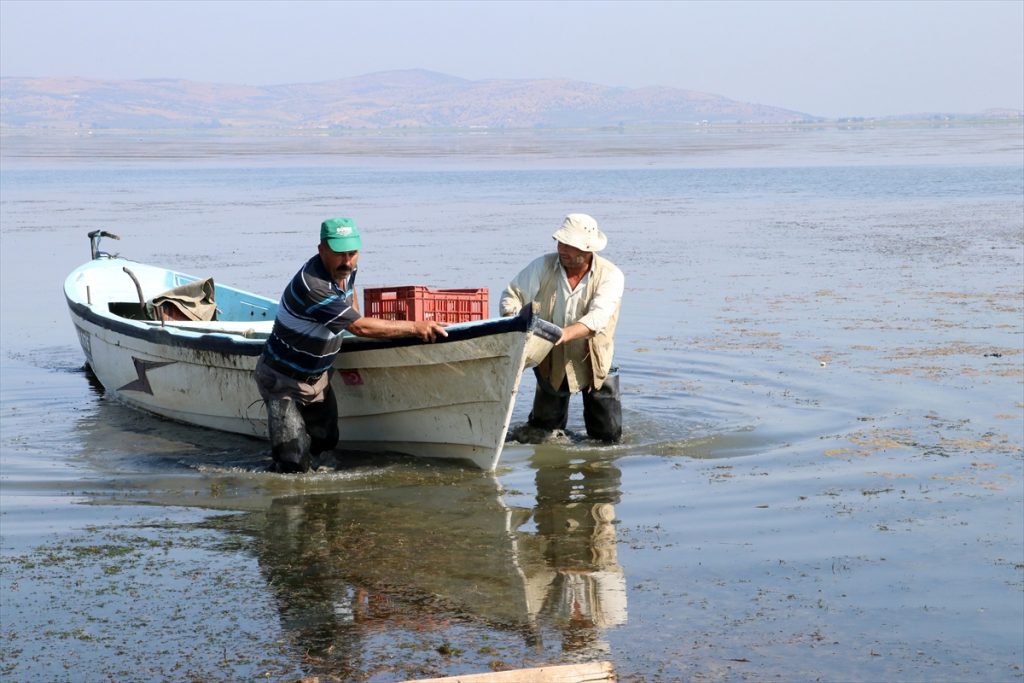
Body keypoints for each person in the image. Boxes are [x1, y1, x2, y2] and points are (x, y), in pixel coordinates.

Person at [255, 217, 447, 473]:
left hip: (317, 378)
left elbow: (349, 295)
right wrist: (416, 327)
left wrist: (351, 311)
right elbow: (359, 327)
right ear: (321, 249)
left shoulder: (346, 270)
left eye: (352, 253)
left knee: (326, 443)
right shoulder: (313, 286)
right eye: (339, 254)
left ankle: (321, 509)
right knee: (292, 464)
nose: (347, 261)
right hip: (283, 379)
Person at [499, 213, 624, 442]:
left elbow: (598, 318)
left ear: (587, 250)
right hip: (550, 358)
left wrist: (563, 334)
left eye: (569, 245)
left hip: (596, 360)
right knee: (542, 432)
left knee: (607, 438)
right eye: (560, 242)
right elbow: (512, 295)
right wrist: (516, 322)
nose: (562, 249)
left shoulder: (611, 275)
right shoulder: (543, 266)